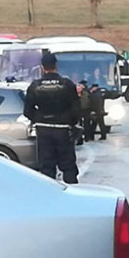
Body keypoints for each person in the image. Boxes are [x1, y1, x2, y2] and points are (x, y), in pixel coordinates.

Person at [23, 53, 80, 183]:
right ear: (56, 66)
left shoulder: (35, 86)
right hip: (63, 129)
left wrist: (39, 118)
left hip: (43, 130)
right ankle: (73, 195)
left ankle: (49, 197)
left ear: (42, 67)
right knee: (68, 166)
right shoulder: (67, 84)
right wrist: (70, 122)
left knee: (47, 167)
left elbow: (27, 111)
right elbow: (76, 109)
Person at [76, 81, 91, 145]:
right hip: (78, 111)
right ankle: (80, 139)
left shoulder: (86, 94)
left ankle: (87, 137)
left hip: (86, 110)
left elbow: (90, 101)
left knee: (86, 124)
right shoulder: (74, 95)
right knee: (79, 125)